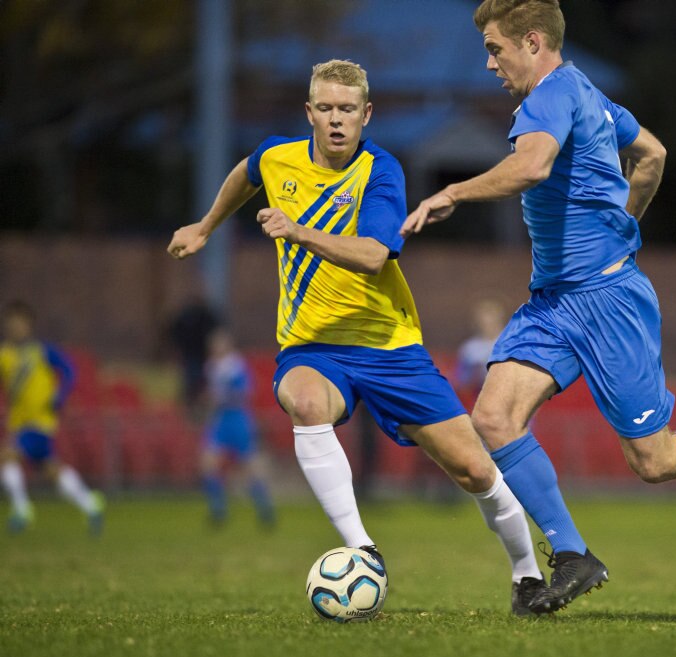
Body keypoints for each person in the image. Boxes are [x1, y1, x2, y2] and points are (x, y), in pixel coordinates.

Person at [402, 0, 676, 614]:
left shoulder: (549, 96)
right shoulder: (589, 93)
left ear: (532, 42)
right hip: (553, 303)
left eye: (496, 49)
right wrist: (622, 224)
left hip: (606, 303)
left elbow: (532, 165)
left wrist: (452, 190)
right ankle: (574, 554)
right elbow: (653, 154)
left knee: (654, 460)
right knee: (495, 419)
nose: (491, 64)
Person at [167, 59, 544, 615]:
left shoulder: (381, 170)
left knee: (474, 469)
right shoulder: (279, 156)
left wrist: (297, 230)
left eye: (348, 110)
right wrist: (205, 225)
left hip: (390, 348)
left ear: (367, 114)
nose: (337, 120)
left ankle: (528, 576)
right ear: (309, 113)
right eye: (326, 108)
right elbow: (247, 172)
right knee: (304, 399)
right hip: (312, 346)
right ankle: (362, 548)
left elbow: (374, 255)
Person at [0, 301, 105, 535]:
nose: (15, 328)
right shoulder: (5, 355)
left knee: (6, 456)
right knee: (51, 470)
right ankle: (90, 504)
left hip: (39, 421)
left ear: (29, 325)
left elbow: (69, 371)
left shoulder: (41, 351)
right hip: (18, 423)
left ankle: (21, 510)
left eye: (20, 323)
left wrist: (60, 396)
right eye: (11, 324)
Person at [199, 327, 276, 528]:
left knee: (249, 467)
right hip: (220, 421)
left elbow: (246, 392)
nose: (216, 348)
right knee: (208, 463)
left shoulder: (236, 366)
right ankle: (218, 511)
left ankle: (265, 509)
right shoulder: (211, 366)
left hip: (238, 420)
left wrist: (224, 397)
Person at [454, 299, 507, 397]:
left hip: (505, 394)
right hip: (478, 396)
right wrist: (474, 373)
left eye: (492, 321)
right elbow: (460, 379)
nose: (487, 325)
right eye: (484, 321)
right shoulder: (469, 348)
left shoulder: (509, 344)